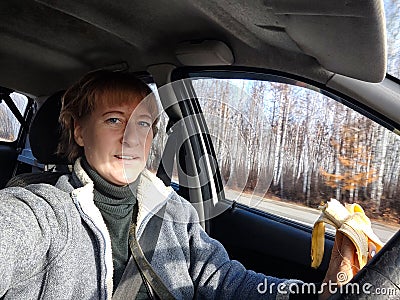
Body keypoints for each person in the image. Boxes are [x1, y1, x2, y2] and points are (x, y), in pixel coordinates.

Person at [0, 70, 370, 300]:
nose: (131, 138)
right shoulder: (43, 212)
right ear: (80, 131)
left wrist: (314, 294)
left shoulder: (175, 212)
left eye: (143, 124)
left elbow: (225, 281)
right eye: (114, 120)